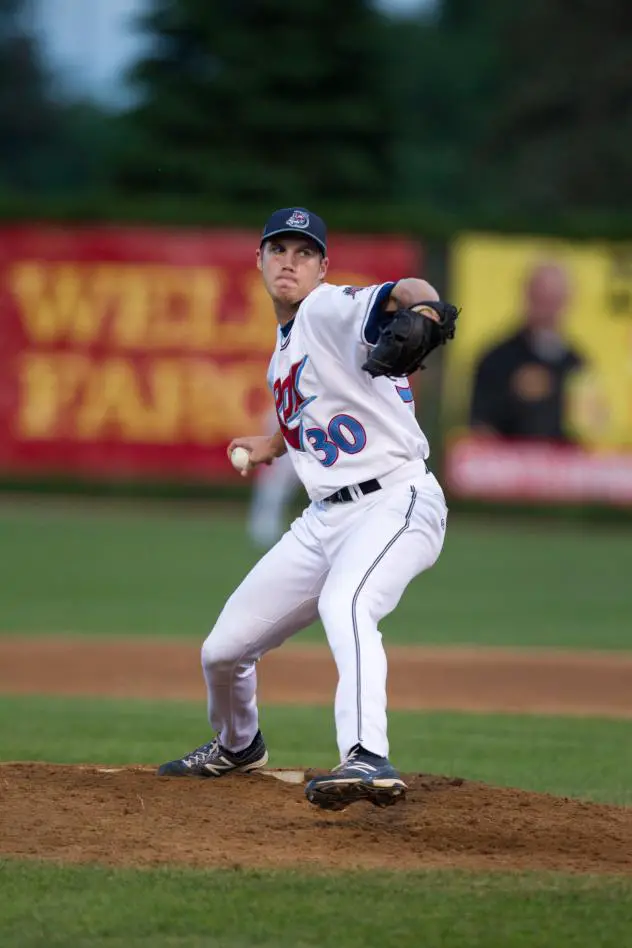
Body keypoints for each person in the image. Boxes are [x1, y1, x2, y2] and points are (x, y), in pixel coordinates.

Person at [158, 207, 451, 811]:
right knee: (223, 651)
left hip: (396, 501)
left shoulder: (326, 308)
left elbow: (406, 291)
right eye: (278, 251)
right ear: (259, 262)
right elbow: (316, 419)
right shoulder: (285, 349)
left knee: (346, 602)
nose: (288, 262)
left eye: (303, 253)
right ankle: (239, 744)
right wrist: (271, 444)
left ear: (323, 268)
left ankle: (367, 755)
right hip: (324, 519)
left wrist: (423, 311)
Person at [470, 261, 585, 441]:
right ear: (527, 297)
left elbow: (586, 433)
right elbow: (480, 425)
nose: (548, 310)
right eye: (541, 300)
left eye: (554, 301)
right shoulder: (496, 359)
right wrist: (513, 394)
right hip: (507, 464)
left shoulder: (576, 363)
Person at [247, 407, 303, 548]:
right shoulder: (275, 414)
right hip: (282, 462)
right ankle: (264, 532)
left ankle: (266, 531)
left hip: (296, 461)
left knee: (276, 496)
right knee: (272, 496)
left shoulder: (295, 409)